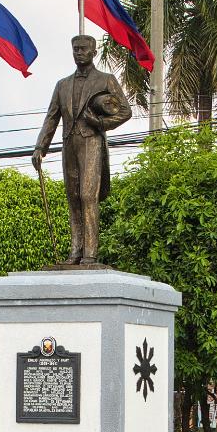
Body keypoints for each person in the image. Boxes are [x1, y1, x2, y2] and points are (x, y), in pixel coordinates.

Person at [32, 35, 131, 264]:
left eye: (83, 49)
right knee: (73, 197)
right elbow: (51, 118)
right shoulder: (62, 85)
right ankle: (75, 251)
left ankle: (90, 253)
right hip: (69, 145)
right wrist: (40, 147)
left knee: (88, 195)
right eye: (75, 49)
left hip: (92, 143)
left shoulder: (106, 80)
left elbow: (125, 111)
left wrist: (101, 124)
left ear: (93, 52)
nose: (79, 53)